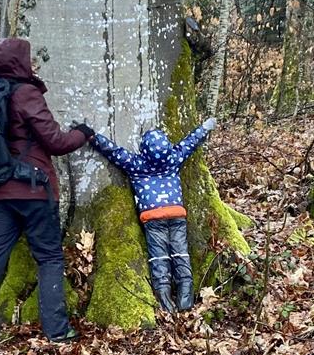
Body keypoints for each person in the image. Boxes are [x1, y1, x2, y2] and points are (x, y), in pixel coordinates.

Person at [0, 37, 94, 353]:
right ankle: (57, 331)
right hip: (33, 190)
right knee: (49, 257)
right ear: (20, 62)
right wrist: (83, 133)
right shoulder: (26, 93)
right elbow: (55, 141)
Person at [88, 118, 217, 311]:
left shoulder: (137, 165)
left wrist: (91, 136)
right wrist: (205, 127)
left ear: (143, 149)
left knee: (159, 257)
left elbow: (114, 152)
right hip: (176, 214)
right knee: (180, 253)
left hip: (153, 217)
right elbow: (190, 142)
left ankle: (165, 301)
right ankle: (185, 299)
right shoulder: (173, 158)